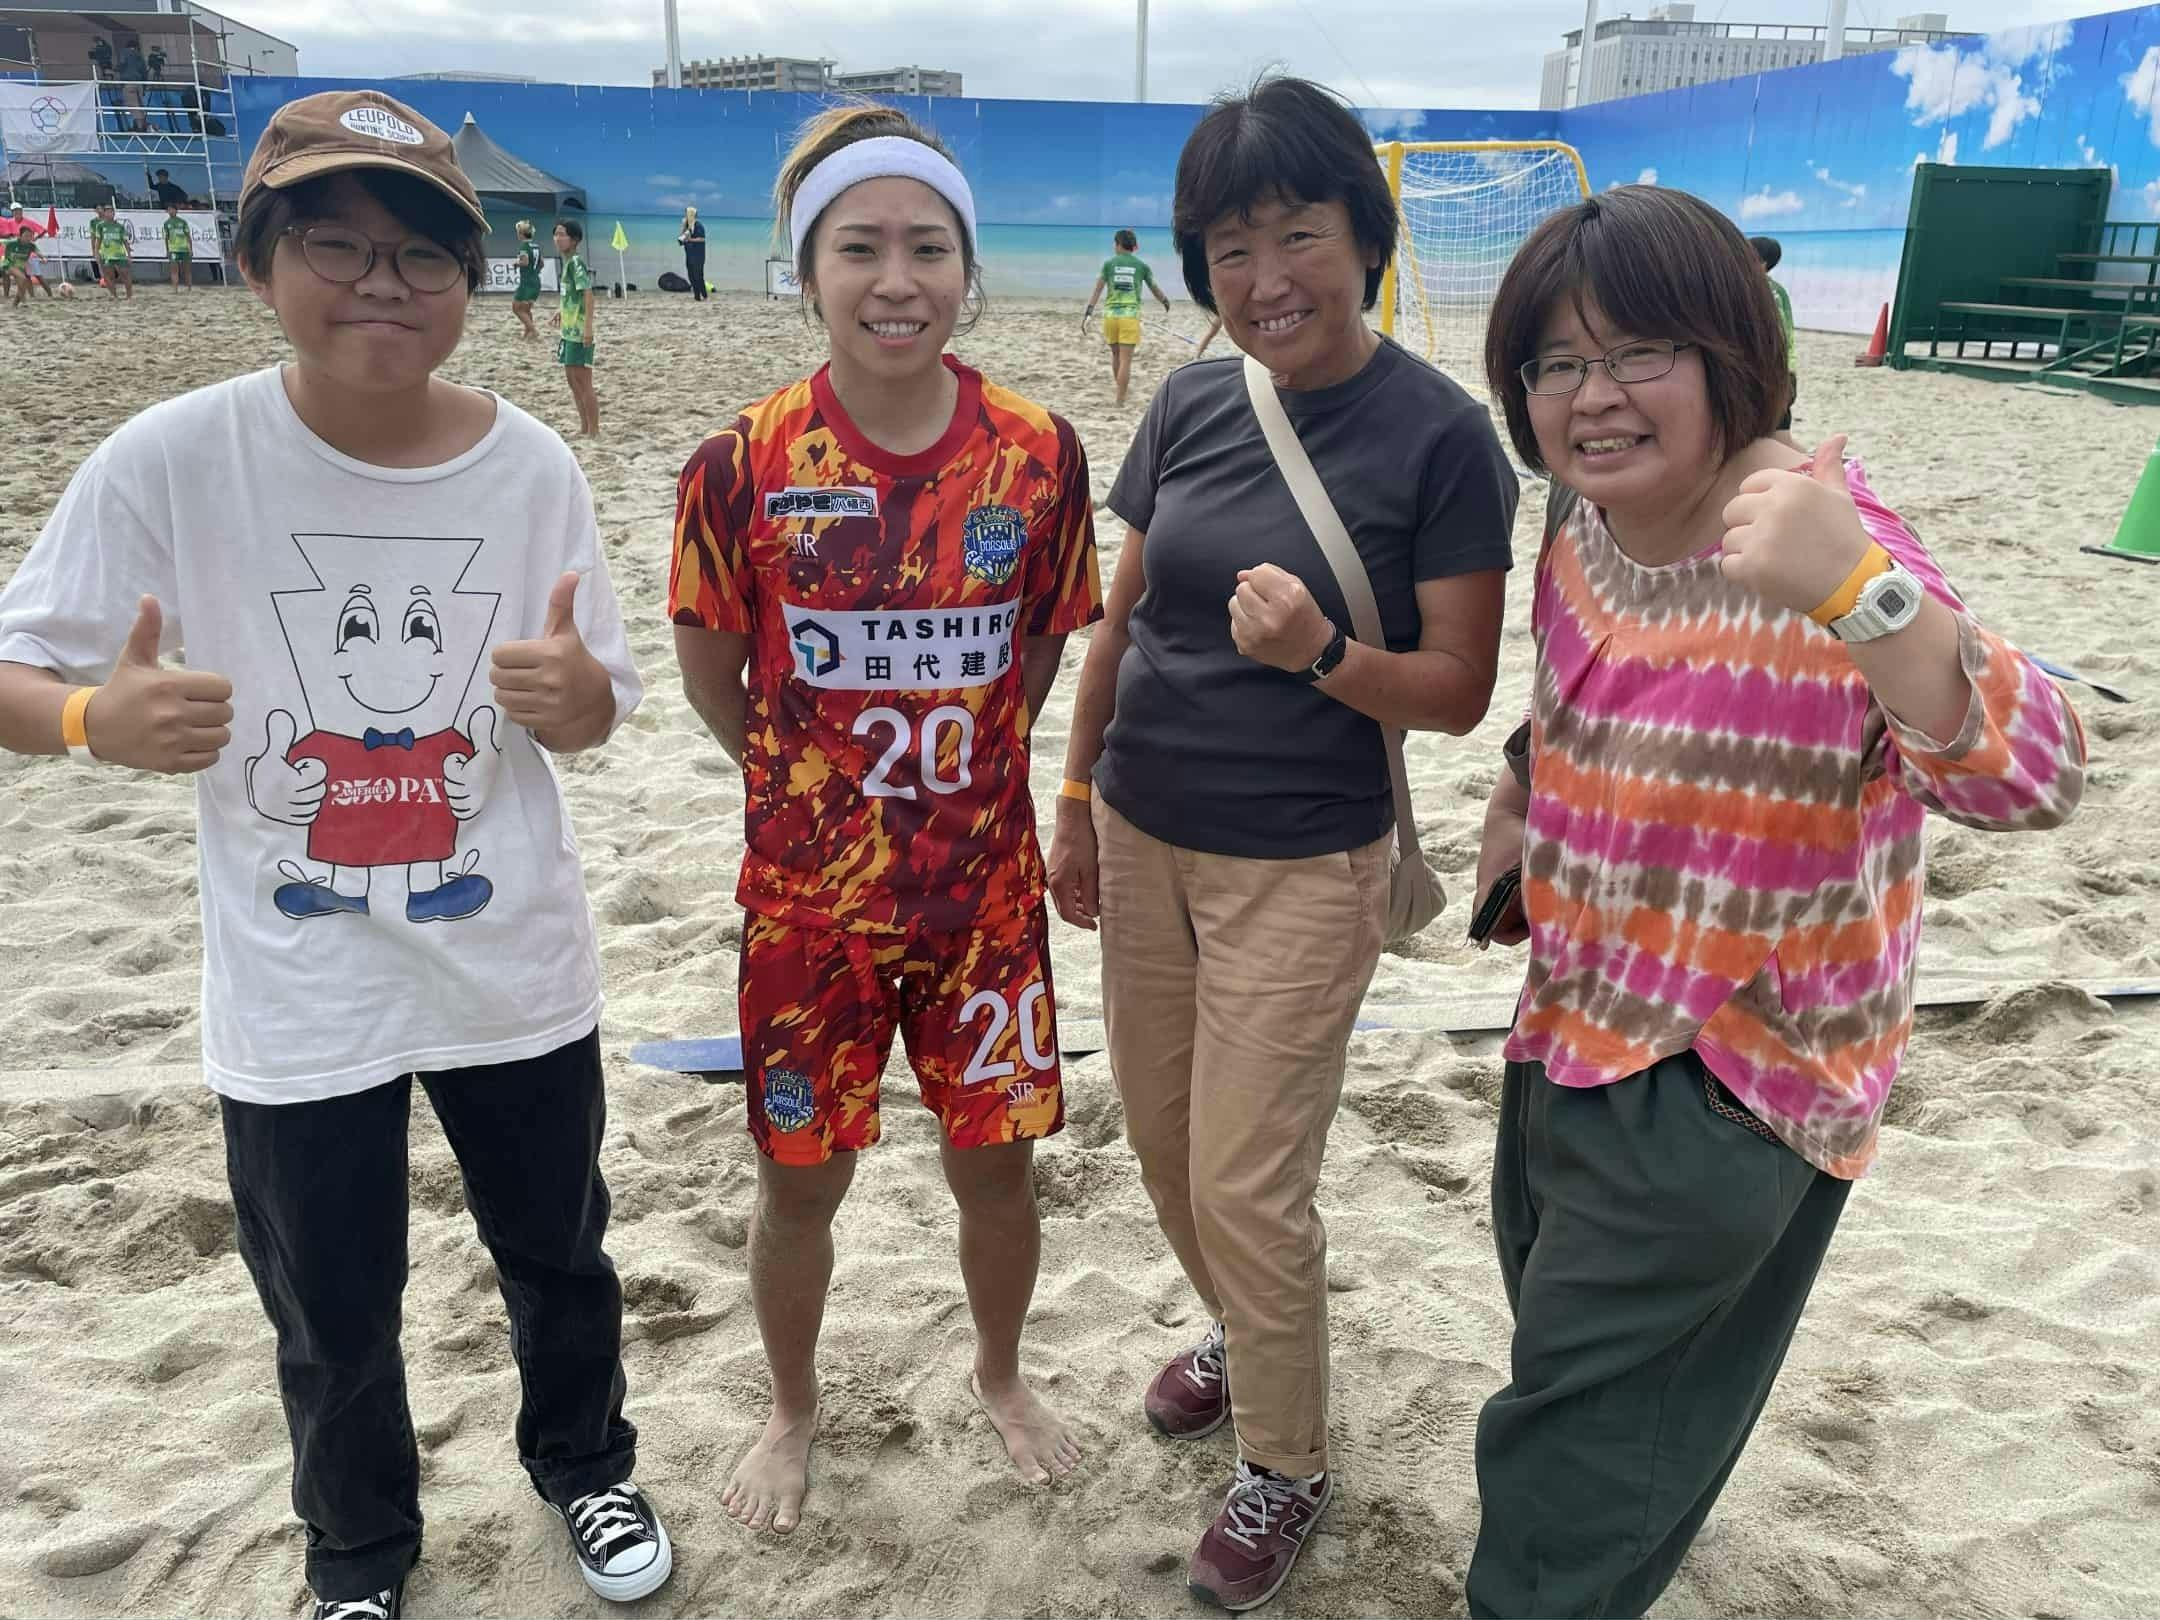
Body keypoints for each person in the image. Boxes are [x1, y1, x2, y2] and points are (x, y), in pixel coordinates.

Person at [0, 90, 677, 1620]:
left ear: (471, 284)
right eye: (337, 246)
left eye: (423, 256)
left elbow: (597, 705)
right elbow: (17, 672)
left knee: (560, 1254)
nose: (383, 284)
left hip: (510, 962)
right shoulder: (173, 459)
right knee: (329, 1300)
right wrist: (98, 719)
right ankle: (358, 1552)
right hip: (297, 983)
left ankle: (586, 1465)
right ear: (258, 263)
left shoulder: (532, 471)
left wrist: (574, 700)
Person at [1464, 183, 2086, 1620]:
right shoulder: (1590, 519)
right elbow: (1575, 696)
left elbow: (2041, 774)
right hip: (1570, 1020)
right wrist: (1520, 811)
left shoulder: (1822, 535)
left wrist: (1860, 591)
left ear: (1730, 350)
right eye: (1556, 362)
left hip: (1728, 1076)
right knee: (1586, 1373)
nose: (1592, 396)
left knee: (1566, 1469)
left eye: (1638, 352)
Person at [1046, 74, 1516, 1612]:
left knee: (1247, 1180)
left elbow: (1458, 691)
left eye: (1297, 233)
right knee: (1166, 1146)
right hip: (1141, 836)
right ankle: (1246, 1329)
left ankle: (1288, 1462)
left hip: (1305, 865)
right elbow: (1119, 624)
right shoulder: (1191, 403)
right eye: (1230, 248)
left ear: (1367, 237)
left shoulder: (1442, 437)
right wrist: (1073, 800)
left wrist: (1322, 653)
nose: (1264, 279)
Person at [670, 102, 1101, 1537]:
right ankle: (792, 1409)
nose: (897, 279)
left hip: (985, 907)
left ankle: (999, 1374)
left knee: (1000, 1175)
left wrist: (954, 783)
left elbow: (1038, 653)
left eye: (928, 247)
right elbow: (717, 681)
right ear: (808, 270)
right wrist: (824, 792)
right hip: (808, 915)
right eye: (860, 247)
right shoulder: (739, 464)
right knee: (799, 1190)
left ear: (968, 269)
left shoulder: (1039, 453)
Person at [1084, 227, 1172, 406]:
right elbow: (1154, 287)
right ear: (1132, 246)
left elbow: (1097, 289)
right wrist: (1165, 301)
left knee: (1116, 356)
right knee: (1126, 361)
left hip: (1110, 316)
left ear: (1118, 244)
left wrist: (1089, 312)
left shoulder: (1109, 264)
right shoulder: (1141, 266)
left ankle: (1119, 389)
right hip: (1129, 317)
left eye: (1114, 244)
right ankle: (1120, 399)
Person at [554, 217, 598, 436]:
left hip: (579, 332)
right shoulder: (568, 263)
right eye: (556, 234)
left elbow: (588, 295)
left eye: (562, 234)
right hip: (568, 331)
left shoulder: (576, 263)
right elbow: (572, 295)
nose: (557, 238)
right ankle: (584, 427)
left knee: (583, 382)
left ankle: (594, 430)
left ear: (575, 240)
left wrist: (588, 328)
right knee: (572, 380)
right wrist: (561, 311)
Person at [1751, 233, 1797, 432]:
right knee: (1780, 432)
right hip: (1785, 372)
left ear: (1762, 263)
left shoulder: (1754, 290)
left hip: (1765, 375)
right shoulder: (1779, 290)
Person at [89, 202, 132, 298]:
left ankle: (129, 296)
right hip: (106, 255)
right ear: (104, 213)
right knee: (109, 276)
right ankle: (114, 296)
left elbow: (125, 241)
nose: (109, 214)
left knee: (125, 275)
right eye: (107, 212)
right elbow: (97, 241)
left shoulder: (119, 226)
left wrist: (129, 255)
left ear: (114, 213)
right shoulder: (100, 226)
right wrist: (96, 253)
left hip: (120, 254)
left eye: (111, 212)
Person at [511, 218, 541, 340]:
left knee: (516, 308)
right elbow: (541, 263)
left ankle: (533, 331)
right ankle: (528, 333)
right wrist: (534, 272)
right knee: (526, 309)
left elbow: (525, 262)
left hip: (527, 282)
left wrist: (516, 263)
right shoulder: (536, 246)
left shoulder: (524, 246)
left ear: (521, 233)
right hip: (536, 280)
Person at [677, 205, 707, 301]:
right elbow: (681, 238)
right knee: (691, 275)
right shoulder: (687, 225)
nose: (685, 215)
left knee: (698, 275)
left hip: (698, 255)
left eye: (686, 214)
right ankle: (697, 294)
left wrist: (690, 240)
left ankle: (703, 294)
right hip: (689, 254)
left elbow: (702, 239)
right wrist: (683, 226)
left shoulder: (698, 225)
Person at [163, 203, 194, 291]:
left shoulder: (182, 222)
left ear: (176, 210)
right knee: (174, 269)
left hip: (184, 249)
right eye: (169, 210)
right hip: (173, 249)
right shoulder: (166, 223)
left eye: (172, 209)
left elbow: (188, 236)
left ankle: (189, 288)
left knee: (186, 269)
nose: (171, 211)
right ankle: (175, 289)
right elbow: (166, 238)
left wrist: (190, 249)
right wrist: (167, 250)